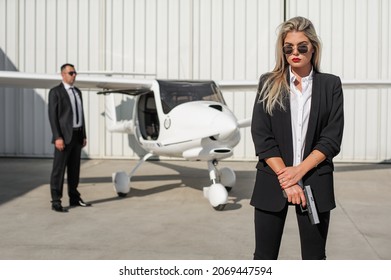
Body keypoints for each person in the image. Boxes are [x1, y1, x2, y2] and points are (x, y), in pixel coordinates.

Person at [250, 16, 344, 259]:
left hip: (315, 180)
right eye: (288, 48)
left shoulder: (330, 85)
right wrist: (288, 180)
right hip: (273, 180)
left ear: (313, 47)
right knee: (264, 259)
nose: (295, 52)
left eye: (302, 46)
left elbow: (331, 138)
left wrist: (299, 171)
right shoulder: (268, 83)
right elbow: (262, 135)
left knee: (314, 260)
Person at [48, 63, 91, 212]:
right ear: (63, 75)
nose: (74, 75)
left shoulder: (78, 92)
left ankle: (74, 197)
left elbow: (81, 115)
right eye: (71, 73)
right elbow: (53, 117)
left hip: (77, 136)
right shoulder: (55, 92)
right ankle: (56, 200)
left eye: (75, 73)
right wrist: (57, 137)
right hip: (63, 137)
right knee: (58, 170)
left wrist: (83, 134)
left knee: (74, 170)